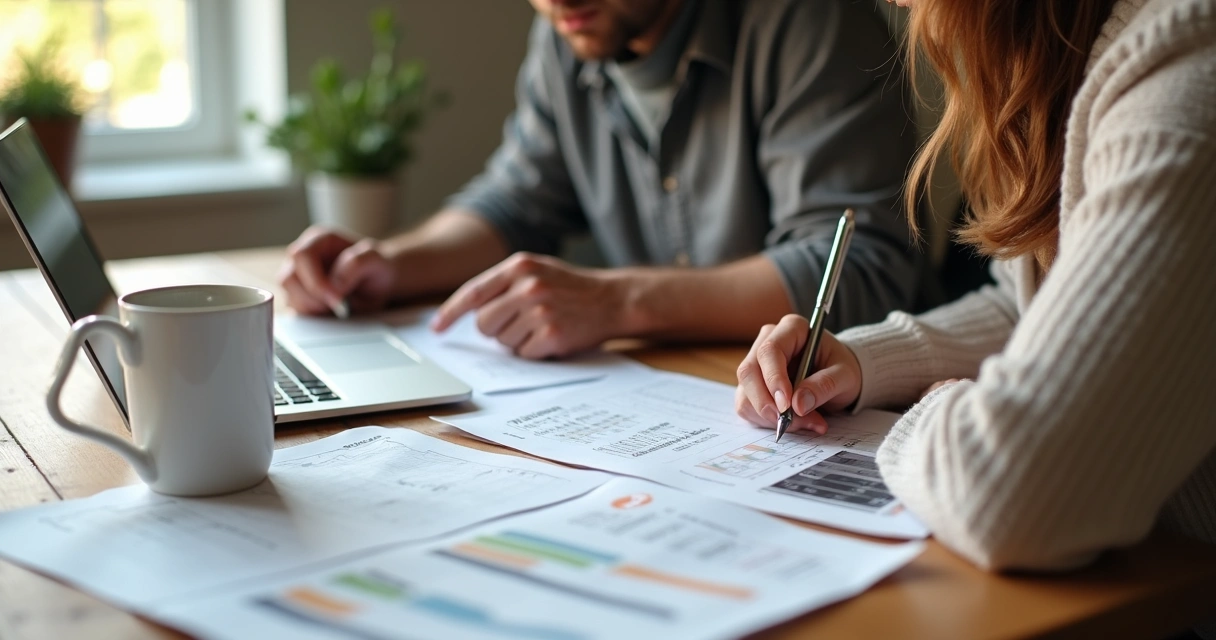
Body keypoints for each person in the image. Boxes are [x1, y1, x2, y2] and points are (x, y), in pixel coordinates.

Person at [736, 0, 1216, 576]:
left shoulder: (1185, 86)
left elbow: (1016, 497)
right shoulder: (1070, 60)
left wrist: (939, 405)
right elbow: (1033, 307)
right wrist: (864, 362)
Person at [280, 0, 920, 360]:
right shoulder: (570, 28)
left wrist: (615, 302)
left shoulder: (809, 21)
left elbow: (856, 271)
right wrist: (389, 264)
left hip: (834, 405)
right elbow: (516, 200)